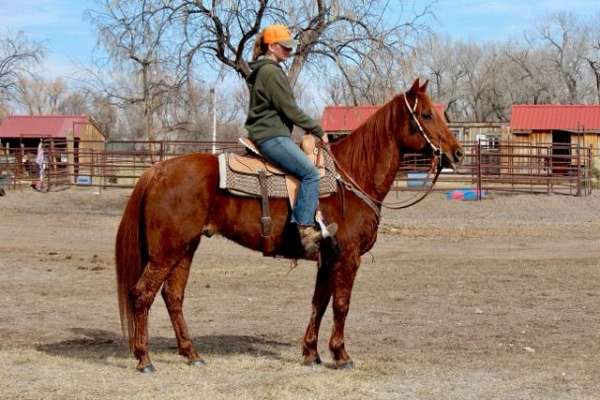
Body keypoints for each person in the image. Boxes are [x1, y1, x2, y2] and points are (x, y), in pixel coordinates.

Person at [244, 24, 337, 256]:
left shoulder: (264, 70)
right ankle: (305, 230)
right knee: (310, 173)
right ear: (273, 47)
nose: (289, 51)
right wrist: (316, 129)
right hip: (271, 135)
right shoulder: (271, 72)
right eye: (285, 47)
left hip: (269, 133)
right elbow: (289, 109)